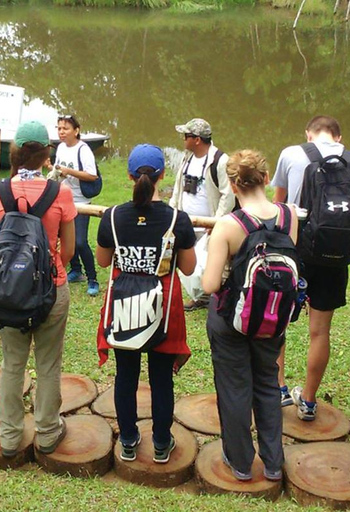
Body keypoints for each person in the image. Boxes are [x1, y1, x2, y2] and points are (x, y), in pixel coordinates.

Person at [96, 144, 196, 464]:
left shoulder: (111, 217)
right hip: (163, 311)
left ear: (128, 176)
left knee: (126, 375)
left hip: (125, 307)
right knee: (161, 378)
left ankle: (127, 440)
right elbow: (190, 268)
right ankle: (161, 443)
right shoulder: (177, 219)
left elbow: (102, 262)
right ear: (162, 176)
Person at [203, 149, 297, 482]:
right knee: (268, 384)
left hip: (232, 320)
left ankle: (240, 463)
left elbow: (211, 283)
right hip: (273, 318)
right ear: (267, 178)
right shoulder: (289, 217)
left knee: (234, 388)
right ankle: (273, 463)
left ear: (232, 183)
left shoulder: (229, 225)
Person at [272, 115, 350, 412]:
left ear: (309, 134)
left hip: (293, 253)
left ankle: (278, 388)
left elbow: (279, 207)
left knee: (279, 324)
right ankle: (308, 400)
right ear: (338, 137)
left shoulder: (291, 154)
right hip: (335, 256)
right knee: (320, 331)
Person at [0, 121, 76, 457]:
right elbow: (67, 250)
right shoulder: (60, 193)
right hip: (52, 289)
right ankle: (48, 432)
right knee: (48, 363)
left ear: (15, 153)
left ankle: (9, 436)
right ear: (46, 154)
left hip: (9, 292)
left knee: (12, 363)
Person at [170, 118, 235, 311]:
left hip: (209, 224)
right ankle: (196, 295)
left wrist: (216, 222)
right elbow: (177, 187)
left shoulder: (220, 161)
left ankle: (213, 298)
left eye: (186, 136)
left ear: (197, 139)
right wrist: (173, 212)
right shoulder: (186, 158)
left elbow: (228, 194)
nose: (183, 139)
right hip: (186, 221)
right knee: (187, 260)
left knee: (213, 263)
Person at [54, 114, 99, 297]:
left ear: (76, 130)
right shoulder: (60, 148)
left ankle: (92, 278)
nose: (61, 132)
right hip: (63, 198)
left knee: (80, 241)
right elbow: (59, 170)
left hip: (81, 201)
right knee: (66, 238)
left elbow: (92, 175)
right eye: (59, 128)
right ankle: (76, 270)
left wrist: (69, 171)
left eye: (65, 128)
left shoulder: (83, 149)